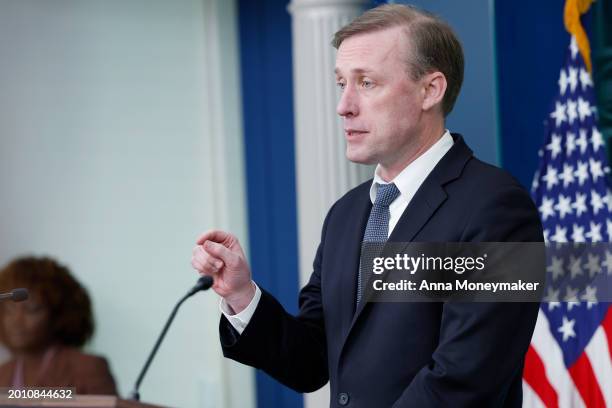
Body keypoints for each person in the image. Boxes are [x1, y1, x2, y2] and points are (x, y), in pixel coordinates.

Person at [191, 4, 542, 407]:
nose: (344, 105)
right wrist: (242, 295)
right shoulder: (345, 214)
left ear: (431, 90)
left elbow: (468, 377)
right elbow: (311, 361)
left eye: (367, 83)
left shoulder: (498, 207)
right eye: (342, 83)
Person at [0, 256, 117, 395]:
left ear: (59, 314)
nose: (16, 321)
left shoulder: (87, 368)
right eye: (9, 310)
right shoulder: (3, 373)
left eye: (32, 309)